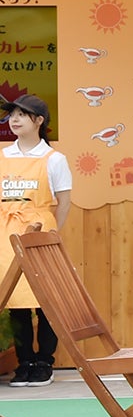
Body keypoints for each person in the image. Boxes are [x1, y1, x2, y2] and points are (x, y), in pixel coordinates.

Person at [0, 94, 71, 387]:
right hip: (7, 234)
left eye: (22, 114)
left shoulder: (55, 159)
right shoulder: (3, 156)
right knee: (16, 300)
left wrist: (51, 234)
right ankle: (25, 362)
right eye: (12, 114)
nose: (14, 120)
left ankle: (45, 362)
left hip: (41, 231)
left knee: (45, 301)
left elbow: (64, 202)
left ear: (39, 121)